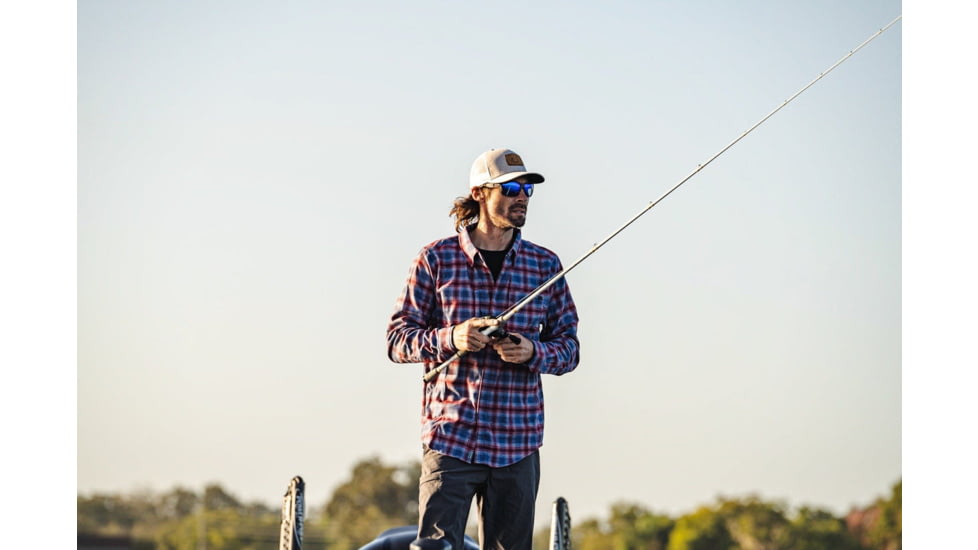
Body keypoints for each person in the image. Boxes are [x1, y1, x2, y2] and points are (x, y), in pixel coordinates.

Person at [387, 148, 581, 550]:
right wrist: (450, 337)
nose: (522, 196)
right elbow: (397, 340)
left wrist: (532, 352)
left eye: (527, 189)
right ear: (479, 194)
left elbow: (569, 349)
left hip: (518, 443)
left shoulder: (545, 265)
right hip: (451, 439)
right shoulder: (434, 259)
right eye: (510, 188)